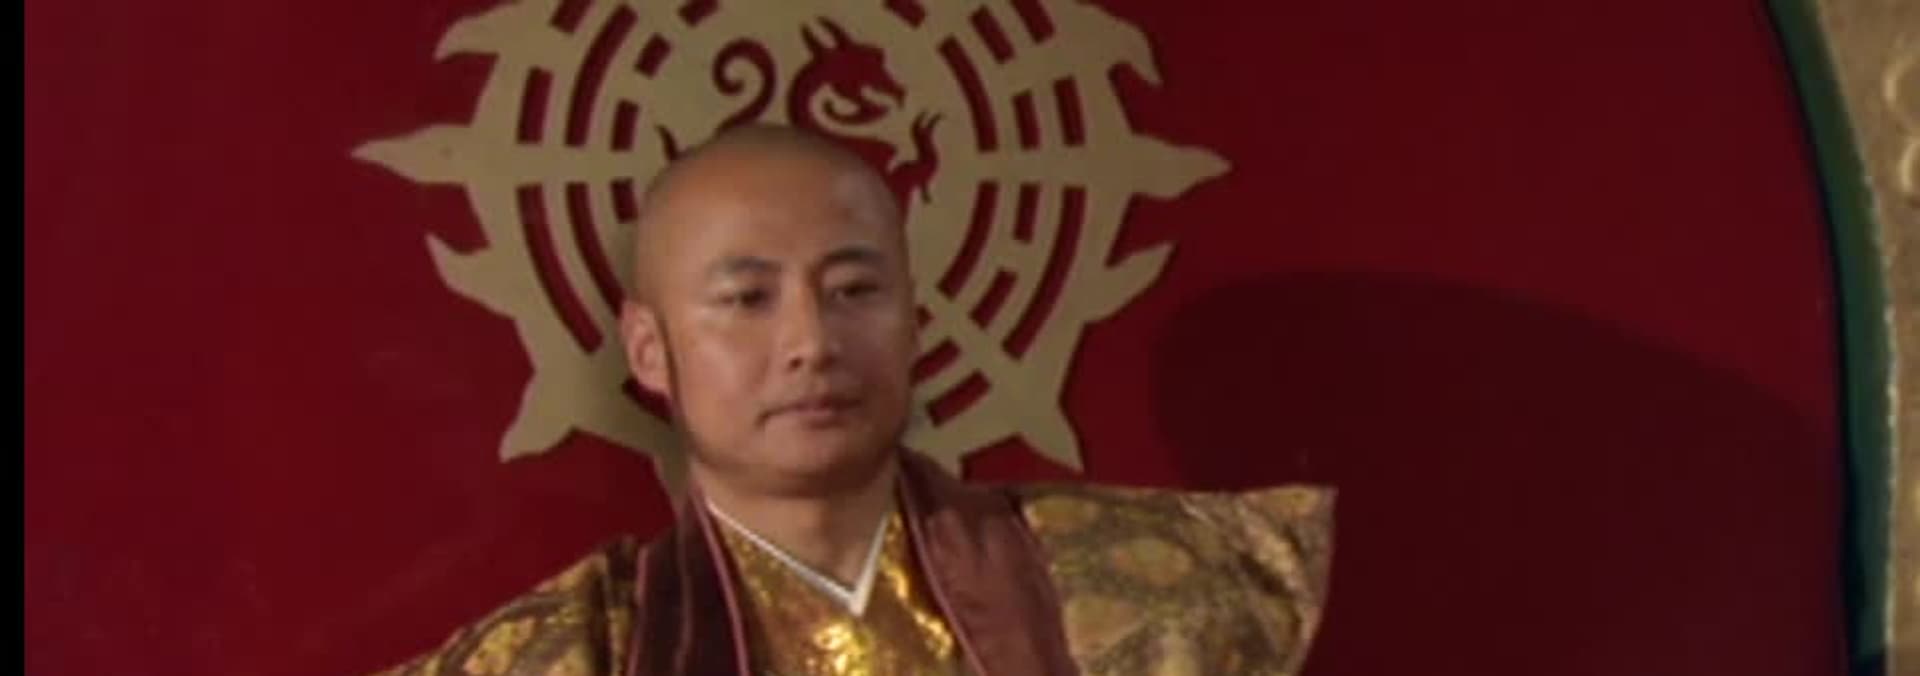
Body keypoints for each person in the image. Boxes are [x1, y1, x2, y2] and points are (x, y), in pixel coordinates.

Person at [373, 125, 1334, 676]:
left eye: (853, 290)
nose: (812, 342)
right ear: (650, 349)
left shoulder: (1149, 591)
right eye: (748, 300)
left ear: (914, 320)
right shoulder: (574, 655)